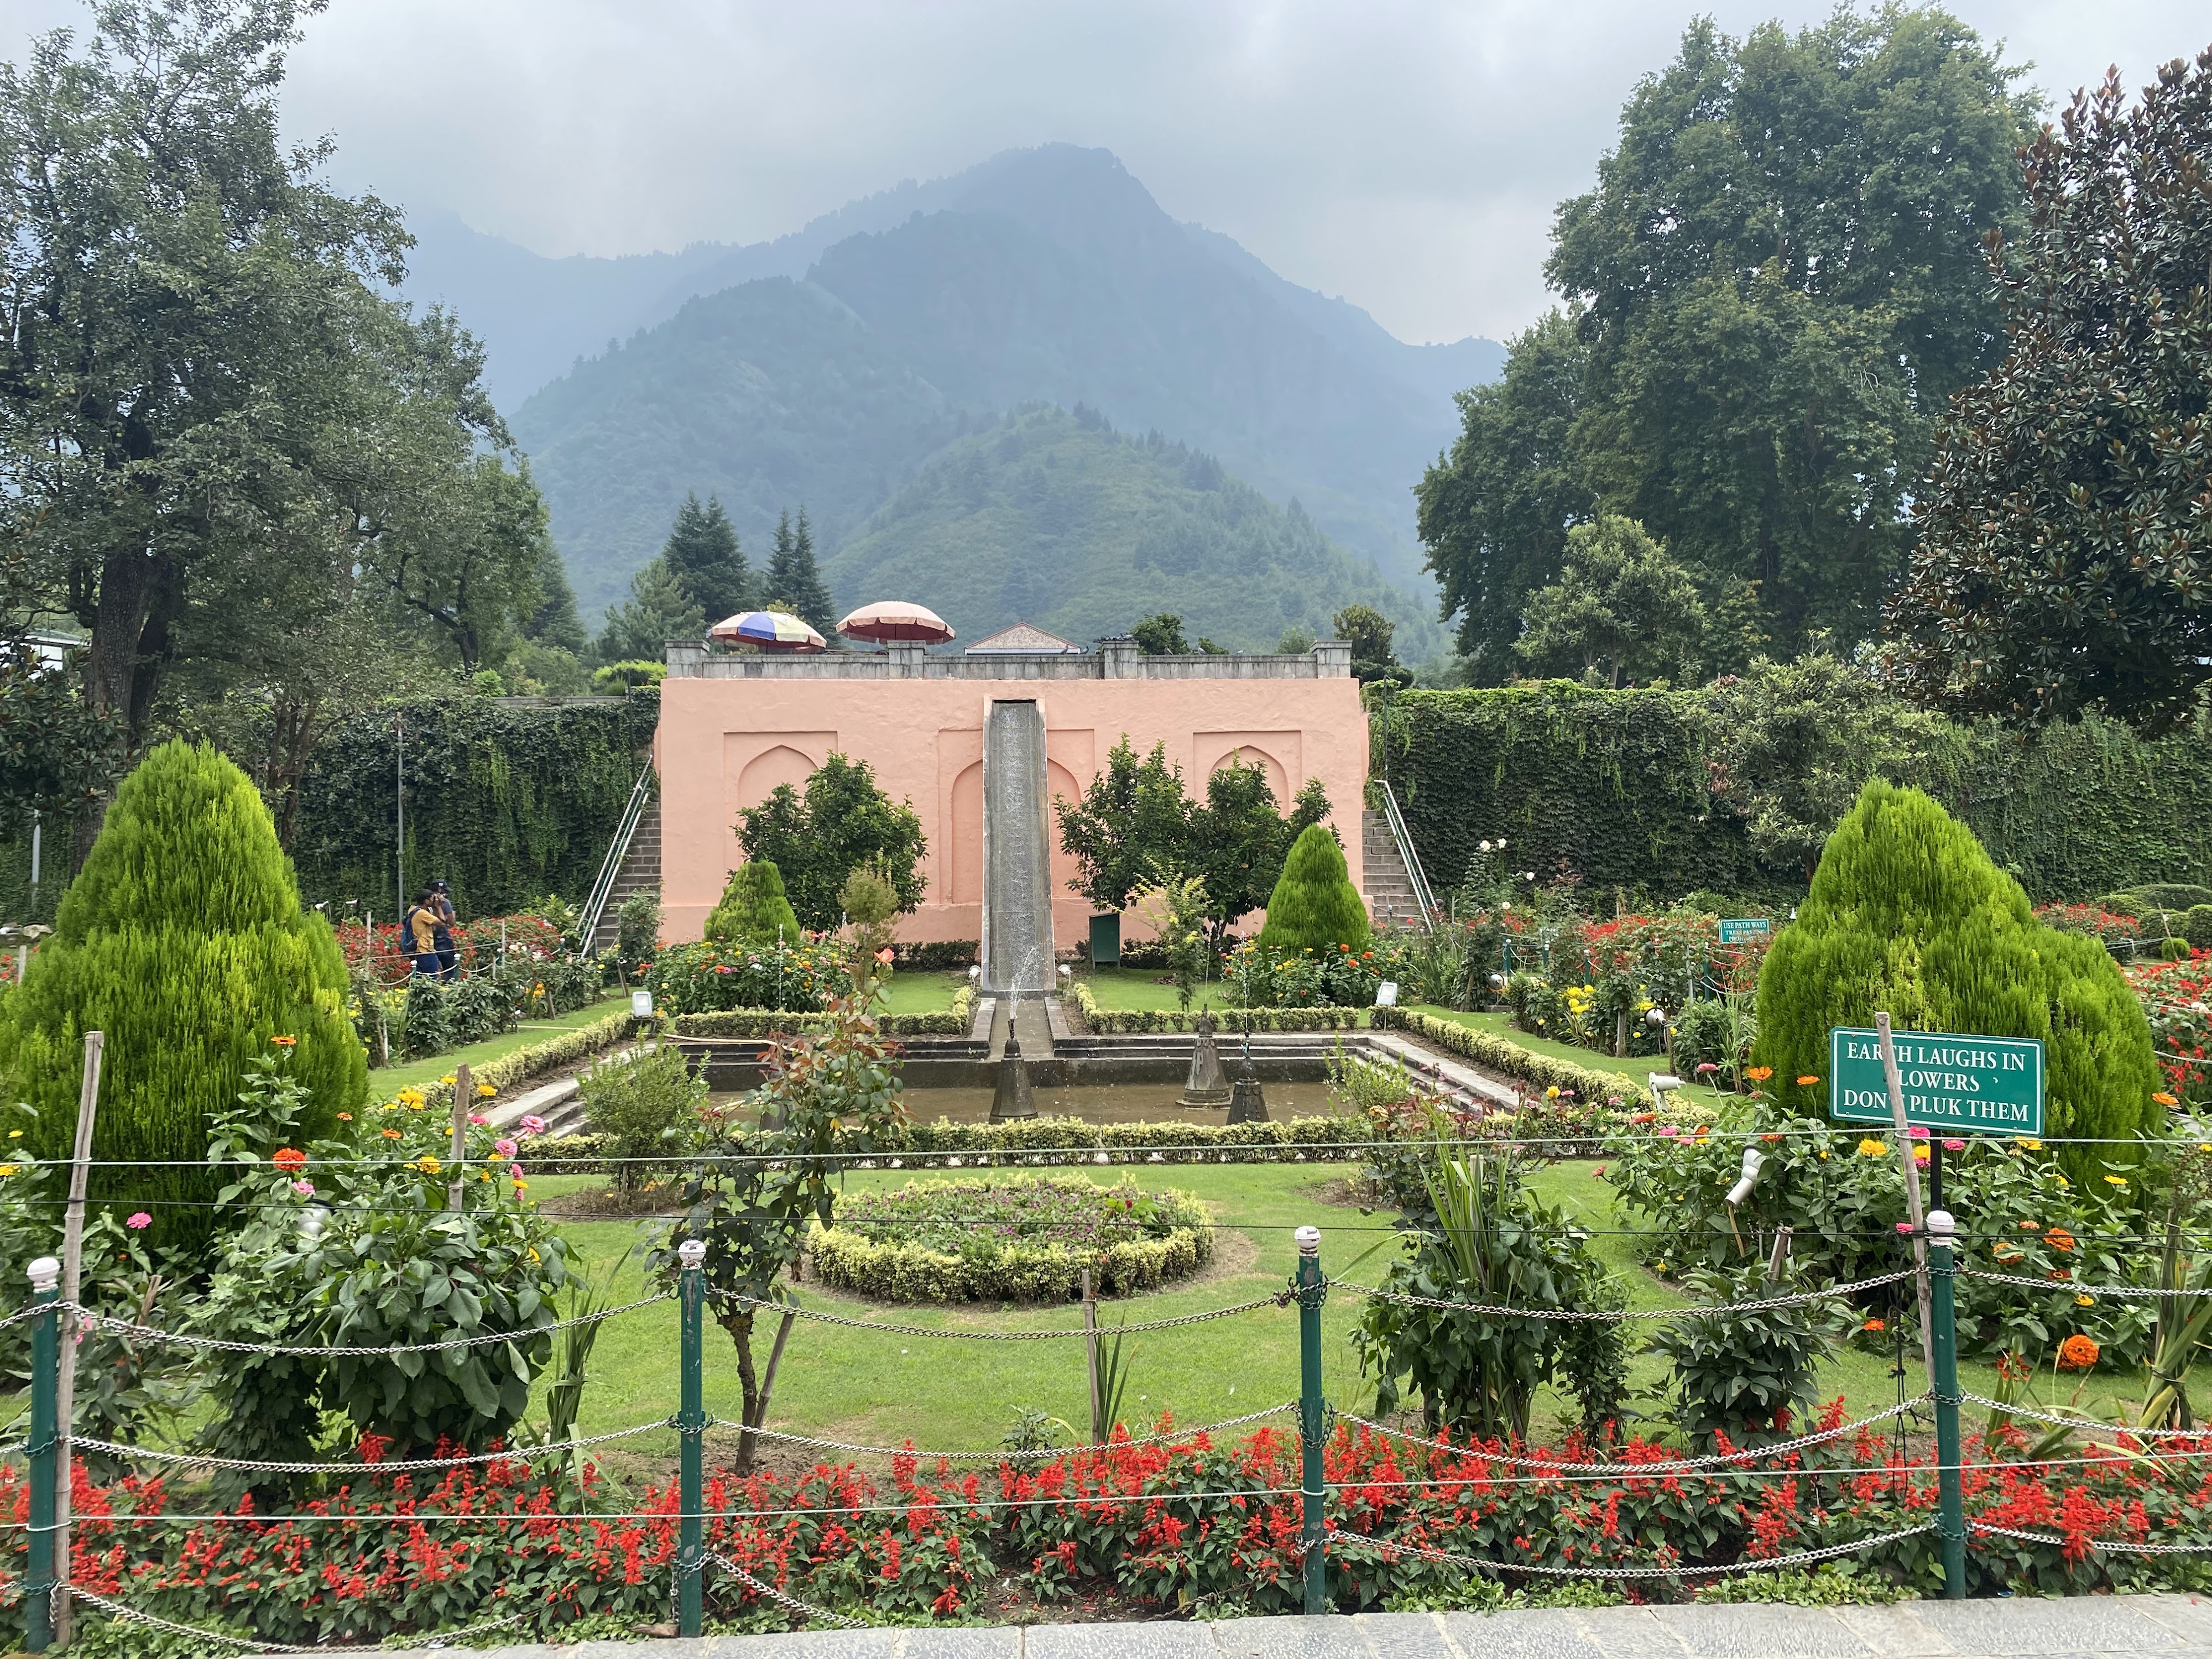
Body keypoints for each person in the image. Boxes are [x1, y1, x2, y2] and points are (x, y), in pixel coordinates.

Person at [403, 890, 441, 978]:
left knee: (419, 981)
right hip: (426, 951)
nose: (434, 899)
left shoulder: (414, 910)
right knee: (432, 980)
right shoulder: (422, 913)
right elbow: (441, 922)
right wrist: (438, 907)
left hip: (418, 951)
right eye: (432, 898)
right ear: (426, 901)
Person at [430, 879, 460, 982]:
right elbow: (451, 922)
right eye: (444, 890)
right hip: (442, 938)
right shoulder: (444, 902)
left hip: (427, 938)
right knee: (449, 970)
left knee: (429, 972)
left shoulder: (425, 901)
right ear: (439, 889)